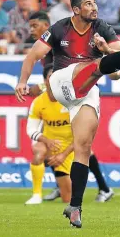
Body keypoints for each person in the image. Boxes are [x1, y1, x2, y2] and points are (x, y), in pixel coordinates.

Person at [15, 0, 120, 228]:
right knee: (94, 66)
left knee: (83, 147)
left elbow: (117, 59)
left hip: (86, 92)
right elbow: (31, 57)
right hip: (62, 80)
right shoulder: (59, 29)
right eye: (88, 4)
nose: (94, 7)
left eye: (95, 2)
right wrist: (22, 81)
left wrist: (106, 50)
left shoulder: (102, 28)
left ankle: (75, 207)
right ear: (75, 9)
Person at [26, 14, 118, 204]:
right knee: (64, 140)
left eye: (35, 26)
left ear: (45, 26)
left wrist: (42, 87)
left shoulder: (58, 40)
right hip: (69, 92)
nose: (31, 30)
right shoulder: (49, 47)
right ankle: (93, 187)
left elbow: (63, 76)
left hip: (78, 93)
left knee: (80, 141)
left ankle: (102, 188)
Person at [25, 63, 74, 205]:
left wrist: (63, 154)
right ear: (45, 81)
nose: (54, 81)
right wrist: (46, 140)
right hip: (50, 143)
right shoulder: (39, 102)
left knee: (68, 200)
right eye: (50, 77)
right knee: (38, 153)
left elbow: (84, 135)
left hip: (71, 147)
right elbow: (30, 130)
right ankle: (36, 195)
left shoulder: (71, 100)